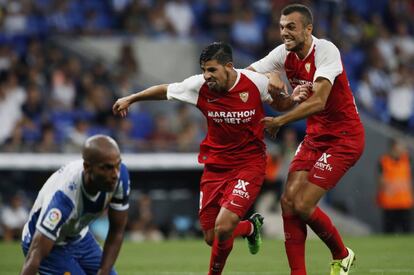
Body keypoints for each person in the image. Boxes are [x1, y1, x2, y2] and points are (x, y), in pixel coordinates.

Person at [113, 42, 308, 275]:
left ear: (228, 66)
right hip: (215, 167)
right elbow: (165, 90)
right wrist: (132, 98)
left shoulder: (255, 82)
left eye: (212, 70)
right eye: (204, 70)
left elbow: (281, 104)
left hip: (249, 164)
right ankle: (249, 228)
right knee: (211, 236)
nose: (207, 76)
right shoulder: (199, 86)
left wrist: (292, 97)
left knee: (224, 226)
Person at [247, 4, 364, 275]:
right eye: (281, 27)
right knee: (287, 202)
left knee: (302, 204)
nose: (284, 32)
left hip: (344, 137)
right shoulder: (282, 54)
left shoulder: (326, 50)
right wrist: (268, 76)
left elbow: (320, 101)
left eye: (291, 27)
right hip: (316, 136)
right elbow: (247, 75)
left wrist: (280, 120)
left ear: (308, 29)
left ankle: (342, 254)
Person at [20, 135, 130, 275]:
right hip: (47, 244)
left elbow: (117, 230)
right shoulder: (63, 199)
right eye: (107, 168)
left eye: (117, 165)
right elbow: (35, 255)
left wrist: (104, 271)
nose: (115, 174)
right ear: (87, 167)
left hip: (78, 237)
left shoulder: (120, 178)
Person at [377, 138, 413, 234]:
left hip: (405, 202)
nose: (404, 149)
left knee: (407, 233)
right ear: (394, 147)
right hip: (389, 203)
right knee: (389, 233)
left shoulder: (407, 159)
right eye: (401, 146)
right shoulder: (384, 161)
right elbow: (380, 181)